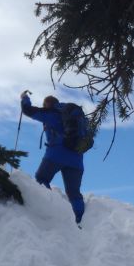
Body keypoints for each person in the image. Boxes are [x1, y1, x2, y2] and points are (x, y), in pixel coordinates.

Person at [20, 91, 86, 225]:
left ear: (47, 105)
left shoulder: (50, 114)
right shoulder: (74, 117)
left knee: (41, 178)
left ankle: (49, 210)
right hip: (76, 160)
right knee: (74, 193)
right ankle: (79, 221)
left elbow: (27, 110)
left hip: (55, 155)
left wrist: (24, 98)